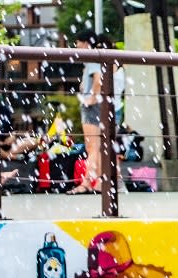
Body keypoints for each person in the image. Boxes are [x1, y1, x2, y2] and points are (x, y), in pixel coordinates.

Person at [68, 29, 102, 195]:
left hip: (91, 107)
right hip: (95, 106)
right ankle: (100, 182)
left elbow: (98, 80)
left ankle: (87, 182)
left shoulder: (92, 60)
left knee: (92, 147)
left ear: (86, 43)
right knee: (97, 147)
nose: (76, 46)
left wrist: (91, 99)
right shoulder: (93, 59)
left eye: (78, 42)